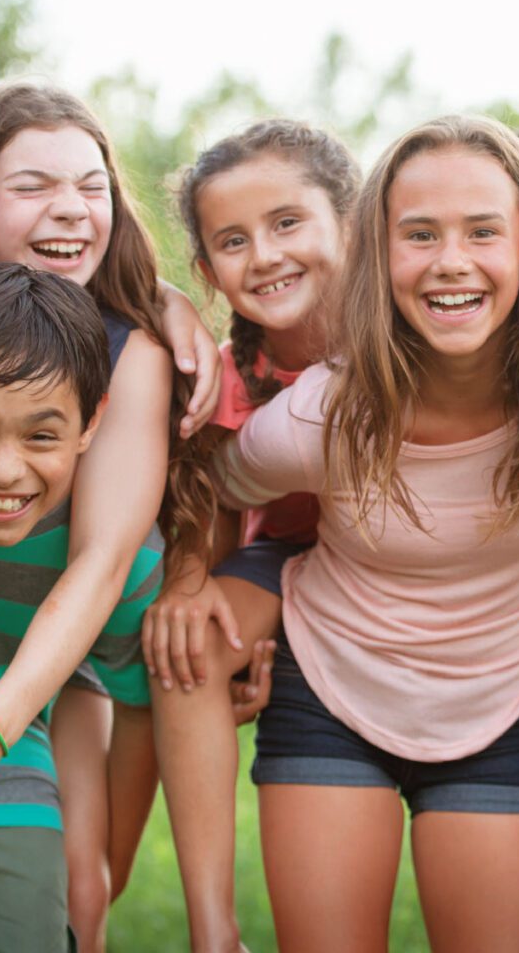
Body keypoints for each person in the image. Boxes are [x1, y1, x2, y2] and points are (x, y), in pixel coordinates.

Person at [214, 115, 519, 952]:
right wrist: (225, 596)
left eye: (484, 232)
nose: (451, 260)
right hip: (335, 684)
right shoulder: (322, 411)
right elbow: (222, 486)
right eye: (419, 235)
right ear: (380, 253)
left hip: (498, 699)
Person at [0, 83, 219, 950]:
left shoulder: (128, 346)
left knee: (82, 887)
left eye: (92, 184)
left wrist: (164, 297)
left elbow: (103, 563)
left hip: (69, 640)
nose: (70, 208)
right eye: (32, 185)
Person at [143, 119, 361, 952]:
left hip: (432, 565)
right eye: (234, 241)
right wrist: (192, 579)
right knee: (185, 645)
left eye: (286, 223)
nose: (265, 255)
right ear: (206, 271)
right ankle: (213, 930)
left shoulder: (404, 336)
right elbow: (210, 497)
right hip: (291, 560)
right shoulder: (232, 377)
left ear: (350, 219)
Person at [0, 262, 123, 950]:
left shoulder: (111, 554)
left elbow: (150, 695)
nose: (3, 469)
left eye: (41, 436)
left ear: (92, 424)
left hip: (10, 771)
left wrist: (96, 868)